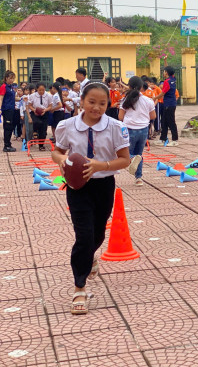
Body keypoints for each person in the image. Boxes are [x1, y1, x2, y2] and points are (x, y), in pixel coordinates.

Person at [51, 82, 138, 315]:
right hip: (77, 186)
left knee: (98, 232)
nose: (97, 107)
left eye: (102, 103)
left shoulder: (116, 127)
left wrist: (101, 165)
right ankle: (79, 288)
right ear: (81, 101)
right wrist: (60, 161)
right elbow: (57, 151)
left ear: (108, 104)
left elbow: (125, 160)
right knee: (84, 235)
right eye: (92, 102)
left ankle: (90, 258)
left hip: (103, 185)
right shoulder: (67, 126)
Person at [118, 76, 156, 186]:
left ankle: (132, 158)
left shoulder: (125, 100)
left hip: (129, 129)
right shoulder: (147, 100)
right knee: (139, 154)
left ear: (129, 86)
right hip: (144, 130)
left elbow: (120, 117)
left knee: (124, 154)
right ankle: (139, 178)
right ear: (141, 87)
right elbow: (153, 116)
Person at [153, 66, 178, 146]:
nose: (163, 72)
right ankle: (162, 139)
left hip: (169, 104)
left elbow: (162, 93)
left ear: (166, 73)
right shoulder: (173, 79)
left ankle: (175, 140)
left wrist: (154, 98)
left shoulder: (167, 82)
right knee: (164, 122)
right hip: (169, 104)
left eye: (164, 71)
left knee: (171, 122)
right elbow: (169, 69)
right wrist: (165, 61)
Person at [28, 82, 52, 150]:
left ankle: (41, 145)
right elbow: (30, 105)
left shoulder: (48, 96)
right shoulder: (32, 96)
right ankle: (35, 131)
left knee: (43, 130)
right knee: (37, 122)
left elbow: (50, 106)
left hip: (45, 113)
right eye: (40, 90)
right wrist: (34, 110)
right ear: (37, 89)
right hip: (35, 112)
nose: (41, 91)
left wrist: (45, 110)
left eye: (43, 90)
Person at [0, 70, 17, 152]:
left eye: (13, 78)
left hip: (12, 109)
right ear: (6, 78)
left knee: (11, 127)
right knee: (7, 127)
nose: (12, 80)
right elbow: (1, 98)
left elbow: (13, 98)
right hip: (7, 109)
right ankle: (6, 146)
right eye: (10, 78)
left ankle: (9, 143)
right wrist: (0, 109)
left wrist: (22, 99)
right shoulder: (3, 86)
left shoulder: (11, 87)